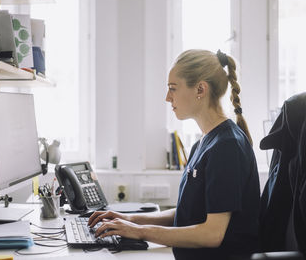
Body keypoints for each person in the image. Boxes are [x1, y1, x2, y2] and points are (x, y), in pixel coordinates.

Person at [88, 49, 261, 259]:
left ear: (200, 89)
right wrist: (130, 220)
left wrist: (141, 232)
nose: (167, 97)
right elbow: (187, 215)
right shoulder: (203, 143)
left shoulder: (227, 146)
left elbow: (212, 234)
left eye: (173, 88)